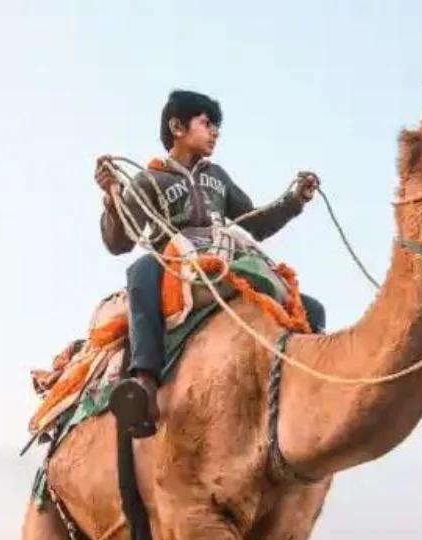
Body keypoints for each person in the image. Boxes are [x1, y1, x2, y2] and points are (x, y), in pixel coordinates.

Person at [96, 89, 326, 438]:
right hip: (176, 263)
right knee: (141, 271)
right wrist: (113, 202)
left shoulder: (218, 177)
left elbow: (255, 223)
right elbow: (119, 242)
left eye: (216, 126)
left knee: (309, 308)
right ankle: (144, 383)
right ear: (177, 126)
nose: (215, 132)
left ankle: (313, 384)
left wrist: (294, 200)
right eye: (206, 123)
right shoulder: (149, 179)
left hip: (226, 259)